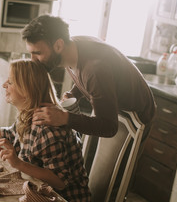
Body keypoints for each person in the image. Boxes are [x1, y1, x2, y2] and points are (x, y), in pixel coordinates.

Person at [0, 59, 91, 202]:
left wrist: (18, 163)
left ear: (27, 89)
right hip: (40, 188)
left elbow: (60, 182)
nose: (4, 85)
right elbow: (9, 132)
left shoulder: (47, 128)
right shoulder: (30, 112)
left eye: (10, 82)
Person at [21, 15, 156, 138]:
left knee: (121, 164)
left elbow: (109, 127)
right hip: (114, 108)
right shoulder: (72, 48)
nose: (33, 60)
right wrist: (74, 93)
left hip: (135, 116)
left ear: (58, 45)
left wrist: (65, 118)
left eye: (37, 53)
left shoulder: (95, 70)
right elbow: (88, 76)